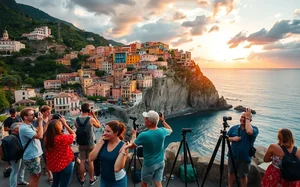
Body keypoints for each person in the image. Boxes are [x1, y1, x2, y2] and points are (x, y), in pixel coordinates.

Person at [125, 110, 173, 187]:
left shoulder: (144, 135)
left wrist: (134, 135)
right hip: (161, 162)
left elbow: (132, 146)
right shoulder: (162, 131)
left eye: (146, 118)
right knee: (158, 182)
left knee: (144, 183)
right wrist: (163, 121)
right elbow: (170, 130)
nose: (144, 120)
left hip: (149, 164)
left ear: (150, 122)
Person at [89, 120, 128, 187]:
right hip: (104, 180)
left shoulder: (123, 146)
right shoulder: (103, 142)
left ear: (116, 133)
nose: (104, 133)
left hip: (118, 182)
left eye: (108, 131)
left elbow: (117, 168)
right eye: (104, 130)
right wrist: (99, 143)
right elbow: (90, 158)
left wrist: (123, 151)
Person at [227, 107, 259, 187]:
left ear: (250, 120)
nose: (243, 119)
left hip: (244, 158)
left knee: (243, 176)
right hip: (232, 155)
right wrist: (233, 139)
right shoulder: (234, 128)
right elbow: (226, 138)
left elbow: (249, 131)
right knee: (231, 173)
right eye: (242, 117)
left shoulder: (254, 129)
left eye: (246, 118)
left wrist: (248, 116)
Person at [45, 118, 76, 187]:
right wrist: (65, 124)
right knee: (64, 184)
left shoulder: (47, 139)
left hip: (54, 165)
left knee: (55, 182)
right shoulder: (63, 138)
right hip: (65, 163)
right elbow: (74, 134)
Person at [75, 103, 101, 186]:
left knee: (82, 161)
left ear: (81, 109)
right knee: (90, 161)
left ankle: (82, 180)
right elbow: (98, 126)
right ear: (89, 110)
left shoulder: (76, 120)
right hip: (90, 143)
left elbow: (77, 128)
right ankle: (91, 179)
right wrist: (94, 115)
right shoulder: (91, 119)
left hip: (81, 143)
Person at [19, 108, 44, 187]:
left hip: (34, 155)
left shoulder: (29, 125)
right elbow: (40, 136)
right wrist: (40, 121)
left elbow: (39, 132)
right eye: (31, 115)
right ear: (25, 117)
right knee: (34, 177)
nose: (34, 116)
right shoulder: (24, 128)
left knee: (36, 175)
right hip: (31, 156)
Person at [33, 105, 53, 184]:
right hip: (43, 142)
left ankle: (48, 169)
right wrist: (48, 122)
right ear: (43, 112)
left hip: (51, 140)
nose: (49, 113)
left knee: (52, 157)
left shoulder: (51, 119)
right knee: (47, 159)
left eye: (50, 111)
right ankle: (50, 176)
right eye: (48, 112)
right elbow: (40, 133)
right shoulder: (38, 121)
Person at [9, 122, 28, 187]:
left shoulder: (14, 135)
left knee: (22, 168)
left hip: (19, 155)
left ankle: (20, 180)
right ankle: (13, 185)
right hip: (16, 157)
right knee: (15, 171)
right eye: (20, 127)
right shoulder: (14, 137)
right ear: (16, 129)